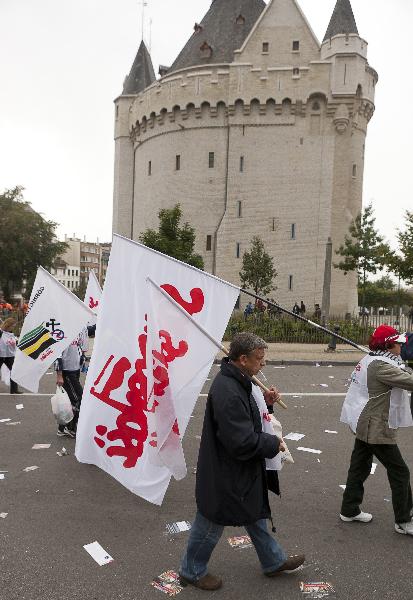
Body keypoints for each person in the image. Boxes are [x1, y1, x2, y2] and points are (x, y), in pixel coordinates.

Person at [179, 332, 305, 591]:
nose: (264, 364)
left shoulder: (241, 380)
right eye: (259, 359)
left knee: (254, 513)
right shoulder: (228, 389)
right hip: (226, 471)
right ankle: (191, 570)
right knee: (211, 520)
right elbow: (241, 440)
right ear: (243, 359)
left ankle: (272, 560)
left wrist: (267, 406)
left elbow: (250, 418)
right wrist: (272, 444)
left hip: (239, 469)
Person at [340, 325, 413, 535]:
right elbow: (409, 381)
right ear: (388, 345)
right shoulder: (382, 366)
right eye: (398, 342)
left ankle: (349, 508)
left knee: (359, 466)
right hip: (376, 426)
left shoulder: (372, 359)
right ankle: (404, 520)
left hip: (364, 420)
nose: (401, 345)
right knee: (400, 471)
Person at [55, 327, 89, 438]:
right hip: (67, 372)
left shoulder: (78, 328)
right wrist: (59, 375)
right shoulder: (62, 329)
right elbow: (57, 354)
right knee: (78, 399)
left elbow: (78, 347)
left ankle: (62, 428)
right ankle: (69, 428)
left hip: (75, 370)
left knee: (71, 400)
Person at [0, 318, 21, 394]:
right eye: (12, 326)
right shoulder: (1, 332)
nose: (13, 328)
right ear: (8, 325)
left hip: (10, 355)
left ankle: (14, 390)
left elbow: (14, 343)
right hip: (1, 355)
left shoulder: (10, 333)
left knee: (14, 371)